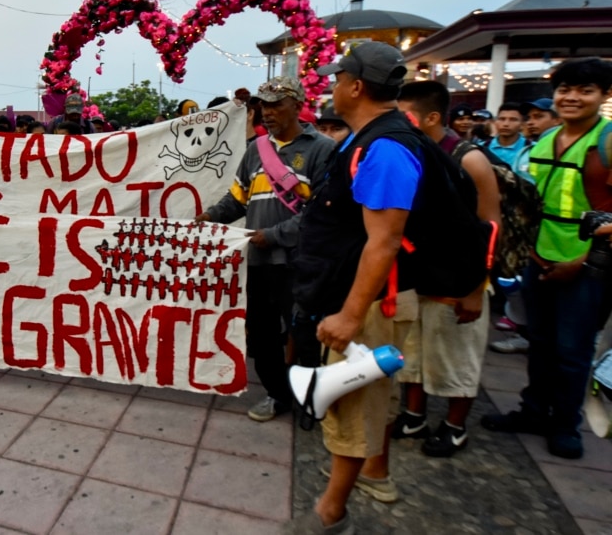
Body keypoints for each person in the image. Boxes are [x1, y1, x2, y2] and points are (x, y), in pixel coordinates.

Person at [287, 42, 420, 534]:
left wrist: (348, 315)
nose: (333, 85)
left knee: (344, 400)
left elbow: (383, 243)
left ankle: (330, 514)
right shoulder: (367, 140)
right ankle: (372, 473)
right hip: (359, 294)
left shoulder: (383, 149)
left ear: (357, 87)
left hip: (363, 301)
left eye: (338, 77)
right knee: (371, 401)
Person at [481, 57, 612, 460]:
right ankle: (534, 410)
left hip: (588, 263)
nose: (571, 97)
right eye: (565, 89)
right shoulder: (545, 139)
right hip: (537, 256)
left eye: (584, 90)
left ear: (604, 96)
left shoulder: (606, 141)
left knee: (573, 349)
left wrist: (585, 259)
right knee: (539, 342)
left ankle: (566, 423)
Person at [196, 76, 335, 423]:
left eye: (276, 104)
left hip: (300, 263)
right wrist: (212, 215)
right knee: (260, 334)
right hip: (258, 262)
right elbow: (238, 197)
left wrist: (274, 234)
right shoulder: (256, 150)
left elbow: (320, 214)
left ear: (297, 106)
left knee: (304, 335)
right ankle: (277, 395)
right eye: (264, 105)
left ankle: (310, 402)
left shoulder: (322, 150)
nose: (267, 112)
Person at [394, 81, 501, 458]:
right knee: (413, 354)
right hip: (417, 275)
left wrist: (474, 288)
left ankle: (455, 427)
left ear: (433, 117)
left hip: (458, 280)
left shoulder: (468, 159)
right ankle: (414, 415)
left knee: (458, 358)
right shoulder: (409, 153)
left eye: (404, 115)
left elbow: (490, 226)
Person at [487, 102, 527, 166]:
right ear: (495, 122)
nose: (506, 124)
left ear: (522, 124)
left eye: (513, 120)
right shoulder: (483, 147)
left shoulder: (532, 148)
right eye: (502, 119)